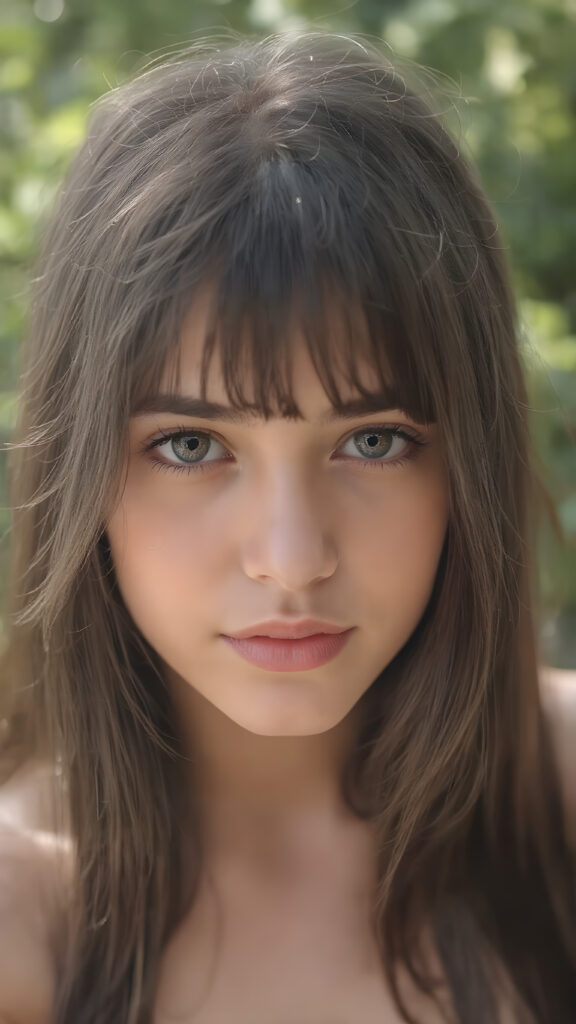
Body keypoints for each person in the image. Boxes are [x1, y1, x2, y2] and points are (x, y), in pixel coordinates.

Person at [0, 30, 574, 1024]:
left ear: (467, 456)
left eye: (374, 442)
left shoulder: (555, 814)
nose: (292, 558)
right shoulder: (26, 916)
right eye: (189, 446)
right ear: (80, 462)